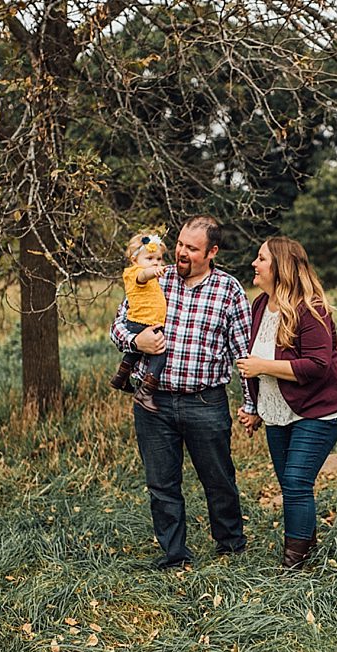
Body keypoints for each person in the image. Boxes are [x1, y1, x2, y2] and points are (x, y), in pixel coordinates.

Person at [110, 215, 252, 570]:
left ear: (212, 252)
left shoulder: (229, 290)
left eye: (192, 248)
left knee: (218, 479)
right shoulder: (155, 277)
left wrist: (252, 402)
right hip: (152, 402)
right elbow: (118, 326)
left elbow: (243, 354)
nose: (181, 253)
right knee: (162, 484)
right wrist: (135, 340)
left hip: (205, 402)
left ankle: (230, 547)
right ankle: (175, 556)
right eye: (180, 245)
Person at [235, 236, 337, 569]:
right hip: (277, 410)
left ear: (281, 267)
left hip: (317, 409)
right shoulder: (260, 305)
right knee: (291, 483)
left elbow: (318, 365)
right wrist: (256, 409)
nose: (254, 264)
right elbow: (256, 362)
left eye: (261, 259)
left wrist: (263, 367)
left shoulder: (310, 308)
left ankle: (294, 565)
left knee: (297, 483)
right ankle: (307, 547)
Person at [110, 231, 169, 413]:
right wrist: (154, 271)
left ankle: (121, 377)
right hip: (143, 322)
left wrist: (156, 270)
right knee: (159, 352)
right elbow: (144, 275)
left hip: (142, 322)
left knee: (135, 353)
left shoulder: (151, 276)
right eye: (150, 258)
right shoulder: (135, 273)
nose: (156, 263)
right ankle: (146, 391)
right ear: (135, 259)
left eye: (159, 259)